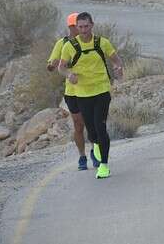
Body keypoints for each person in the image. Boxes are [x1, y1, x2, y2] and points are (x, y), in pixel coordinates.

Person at [58, 12, 123, 179]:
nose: (84, 30)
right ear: (76, 28)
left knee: (101, 127)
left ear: (92, 25)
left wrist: (118, 68)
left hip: (101, 90)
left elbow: (116, 60)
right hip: (82, 94)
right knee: (92, 131)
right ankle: (95, 144)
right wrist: (69, 75)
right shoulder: (70, 46)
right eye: (80, 27)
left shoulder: (102, 42)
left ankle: (104, 165)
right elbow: (61, 67)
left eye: (86, 26)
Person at [47, 12, 95, 170]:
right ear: (70, 27)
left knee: (92, 123)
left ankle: (96, 152)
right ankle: (82, 156)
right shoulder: (63, 43)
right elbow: (52, 64)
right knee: (78, 124)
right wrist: (53, 65)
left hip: (90, 88)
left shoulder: (92, 40)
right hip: (72, 91)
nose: (80, 29)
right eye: (76, 26)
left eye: (82, 25)